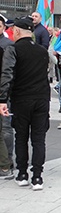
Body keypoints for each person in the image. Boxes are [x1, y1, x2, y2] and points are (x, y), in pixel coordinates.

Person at [0, 17, 50, 191]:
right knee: (39, 139)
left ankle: (22, 173)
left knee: (21, 136)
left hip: (21, 99)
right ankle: (37, 177)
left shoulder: (13, 49)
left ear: (17, 31)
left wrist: (2, 99)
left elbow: (7, 74)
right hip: (42, 99)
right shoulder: (42, 51)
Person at [0, 17, 13, 179]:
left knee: (6, 128)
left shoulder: (8, 46)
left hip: (5, 93)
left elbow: (9, 73)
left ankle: (8, 161)